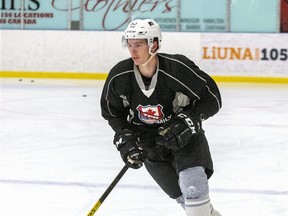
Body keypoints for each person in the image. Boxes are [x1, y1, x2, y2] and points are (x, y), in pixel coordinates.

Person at [100, 18, 222, 216]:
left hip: (185, 140)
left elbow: (212, 98)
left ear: (154, 44)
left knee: (193, 191)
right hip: (150, 147)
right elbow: (113, 113)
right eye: (129, 44)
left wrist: (188, 121)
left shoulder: (178, 69)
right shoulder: (119, 77)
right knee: (190, 203)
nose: (132, 51)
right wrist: (126, 138)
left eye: (138, 45)